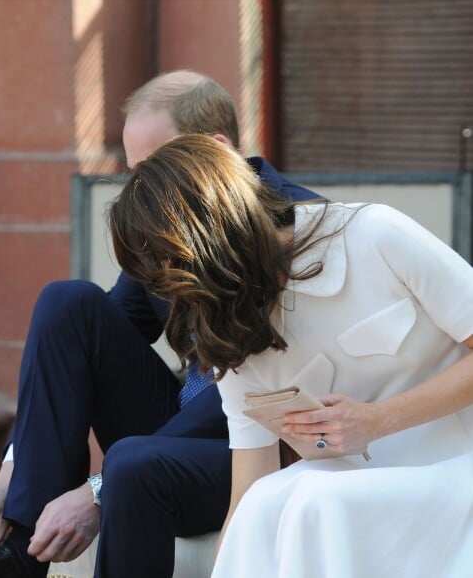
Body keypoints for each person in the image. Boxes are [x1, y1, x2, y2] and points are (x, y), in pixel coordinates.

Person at [0, 70, 321, 578]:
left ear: (214, 147)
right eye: (132, 173)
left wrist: (97, 490)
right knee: (68, 303)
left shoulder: (295, 229)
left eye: (151, 168)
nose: (139, 190)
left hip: (261, 446)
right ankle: (17, 557)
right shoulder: (164, 223)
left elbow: (256, 389)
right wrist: (7, 480)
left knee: (131, 463)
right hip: (173, 430)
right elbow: (74, 351)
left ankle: (108, 484)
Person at [108, 134, 473, 578]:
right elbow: (248, 489)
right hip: (351, 494)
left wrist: (380, 419)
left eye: (171, 268)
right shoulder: (231, 329)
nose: (170, 291)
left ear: (209, 238)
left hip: (455, 467)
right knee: (271, 501)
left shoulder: (373, 234)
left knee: (315, 503)